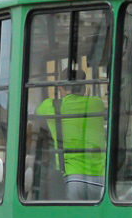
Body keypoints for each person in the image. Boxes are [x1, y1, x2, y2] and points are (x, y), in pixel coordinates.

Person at [35, 70, 106, 201]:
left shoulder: (49, 106)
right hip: (100, 177)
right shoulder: (97, 103)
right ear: (84, 86)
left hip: (73, 177)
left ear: (61, 87)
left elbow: (35, 114)